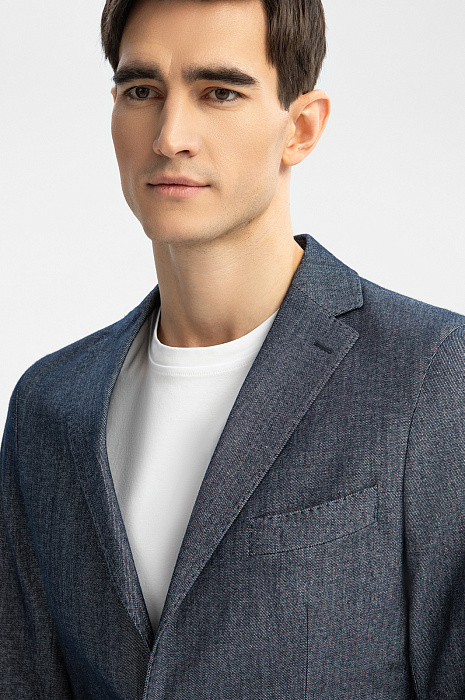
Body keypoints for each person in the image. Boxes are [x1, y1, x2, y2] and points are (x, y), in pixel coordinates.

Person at [1, 0, 464, 697]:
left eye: (219, 92)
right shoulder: (49, 405)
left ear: (301, 128)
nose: (170, 136)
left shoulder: (431, 373)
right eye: (141, 90)